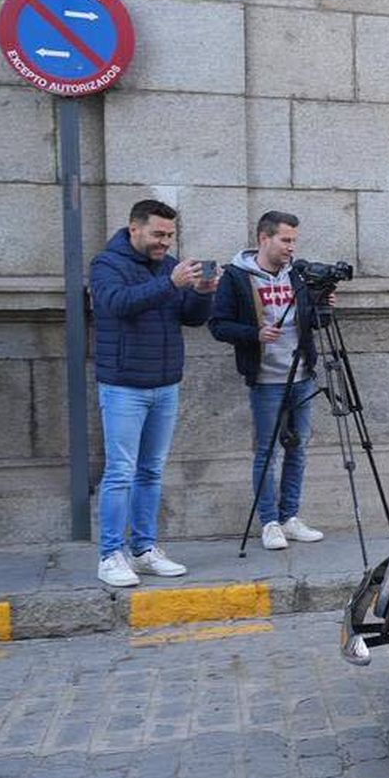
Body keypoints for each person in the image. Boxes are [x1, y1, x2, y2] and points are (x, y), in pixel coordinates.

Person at [89, 199, 217, 587]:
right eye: (158, 234)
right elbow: (117, 304)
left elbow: (191, 318)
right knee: (120, 472)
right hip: (124, 386)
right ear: (134, 229)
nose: (165, 242)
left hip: (165, 384)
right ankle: (111, 554)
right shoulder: (106, 265)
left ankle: (144, 550)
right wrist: (170, 283)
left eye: (170, 235)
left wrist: (203, 292)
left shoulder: (169, 266)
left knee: (150, 471)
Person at [208, 211, 327, 551]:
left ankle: (290, 516)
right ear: (264, 238)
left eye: (294, 240)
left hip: (302, 375)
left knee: (298, 447)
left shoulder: (298, 275)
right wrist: (255, 334)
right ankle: (269, 522)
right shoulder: (236, 276)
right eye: (285, 240)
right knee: (266, 451)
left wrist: (323, 307)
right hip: (266, 379)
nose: (292, 247)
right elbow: (218, 325)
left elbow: (311, 321)